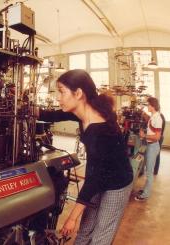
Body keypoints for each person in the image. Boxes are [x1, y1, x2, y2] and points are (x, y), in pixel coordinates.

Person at [40, 69, 133, 245]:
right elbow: (52, 114)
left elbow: (93, 180)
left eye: (61, 91)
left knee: (101, 236)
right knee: (85, 230)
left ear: (79, 93)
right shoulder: (81, 113)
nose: (58, 97)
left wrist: (72, 217)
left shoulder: (101, 131)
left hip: (117, 183)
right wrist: (27, 110)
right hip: (99, 177)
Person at [135, 97, 162, 201]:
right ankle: (146, 189)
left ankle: (145, 195)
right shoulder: (153, 116)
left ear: (152, 106)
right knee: (148, 170)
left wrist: (144, 135)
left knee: (149, 172)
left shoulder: (157, 118)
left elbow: (157, 137)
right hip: (150, 145)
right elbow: (151, 127)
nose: (147, 106)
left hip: (153, 146)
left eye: (148, 105)